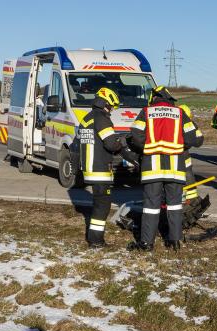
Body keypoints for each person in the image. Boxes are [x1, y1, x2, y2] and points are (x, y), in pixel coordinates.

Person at [129, 86, 200, 251]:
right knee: (175, 205)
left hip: (152, 168)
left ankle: (147, 243)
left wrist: (146, 148)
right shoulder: (180, 113)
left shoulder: (146, 112)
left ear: (154, 97)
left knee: (151, 206)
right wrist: (177, 147)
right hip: (175, 167)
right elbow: (192, 137)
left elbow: (136, 135)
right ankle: (174, 241)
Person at [78, 87, 138, 248]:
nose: (111, 110)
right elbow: (111, 143)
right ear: (105, 102)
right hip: (99, 169)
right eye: (111, 106)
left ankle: (94, 238)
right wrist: (123, 141)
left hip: (89, 167)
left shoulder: (88, 117)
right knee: (102, 205)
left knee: (99, 203)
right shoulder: (102, 118)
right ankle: (96, 240)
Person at [178, 104, 204, 206]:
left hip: (171, 156)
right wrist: (187, 143)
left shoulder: (169, 122)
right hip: (184, 155)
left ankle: (182, 200)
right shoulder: (190, 123)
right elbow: (199, 140)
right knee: (188, 176)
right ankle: (191, 200)